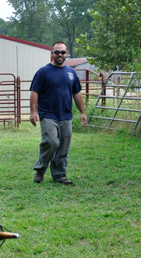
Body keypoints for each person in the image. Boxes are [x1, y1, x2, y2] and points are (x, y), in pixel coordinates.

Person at [30, 41, 88, 185]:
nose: (60, 55)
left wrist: (83, 112)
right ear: (52, 53)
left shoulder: (71, 72)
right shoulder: (43, 71)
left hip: (66, 115)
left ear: (66, 53)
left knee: (63, 146)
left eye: (62, 52)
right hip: (48, 114)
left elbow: (77, 93)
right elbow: (34, 91)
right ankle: (41, 169)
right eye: (57, 52)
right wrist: (33, 111)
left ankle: (59, 175)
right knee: (51, 141)